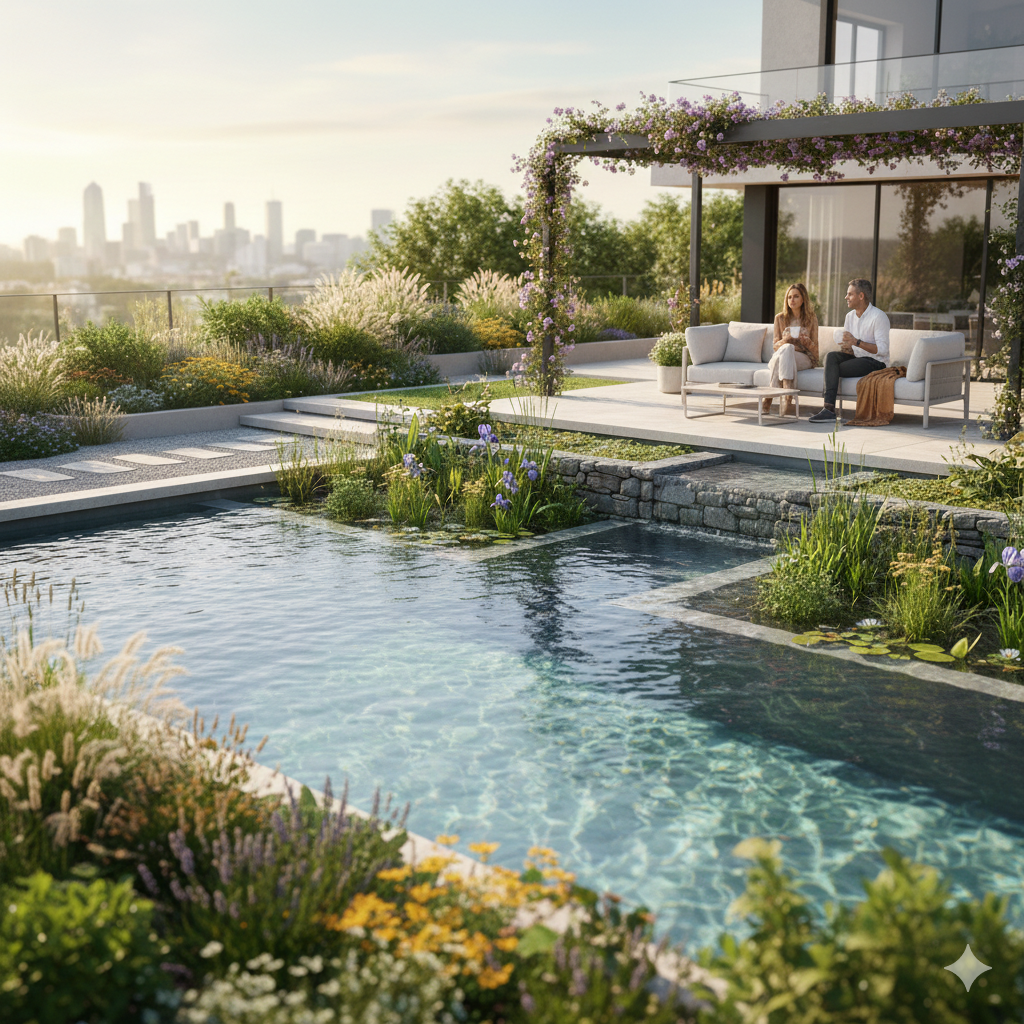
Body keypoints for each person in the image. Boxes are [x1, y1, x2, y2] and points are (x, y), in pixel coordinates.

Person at [808, 279, 890, 423]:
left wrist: (856, 342)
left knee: (834, 369)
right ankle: (828, 408)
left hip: (876, 362)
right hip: (857, 357)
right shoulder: (850, 317)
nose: (846, 297)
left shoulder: (879, 316)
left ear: (861, 296)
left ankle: (829, 410)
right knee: (831, 357)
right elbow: (850, 347)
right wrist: (846, 345)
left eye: (850, 294)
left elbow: (882, 350)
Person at [764, 283, 818, 416]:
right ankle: (788, 395)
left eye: (796, 296)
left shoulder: (811, 318)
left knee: (785, 353)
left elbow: (816, 351)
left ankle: (768, 398)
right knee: (787, 348)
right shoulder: (779, 318)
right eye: (789, 297)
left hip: (804, 357)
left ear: (803, 299)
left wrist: (807, 341)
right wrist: (786, 340)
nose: (792, 300)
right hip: (783, 355)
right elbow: (775, 346)